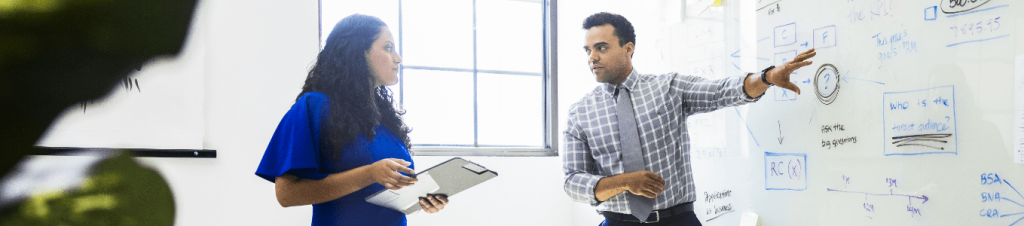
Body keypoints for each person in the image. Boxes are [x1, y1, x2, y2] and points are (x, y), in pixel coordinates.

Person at [561, 12, 815, 226]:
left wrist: (767, 77)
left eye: (601, 47)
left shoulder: (668, 87)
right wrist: (625, 182)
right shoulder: (579, 112)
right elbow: (573, 181)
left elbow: (721, 91)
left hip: (677, 219)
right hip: (616, 221)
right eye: (588, 49)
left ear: (628, 49)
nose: (592, 57)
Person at [255, 14, 448, 226]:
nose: (398, 58)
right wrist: (370, 173)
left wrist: (421, 199)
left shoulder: (386, 121)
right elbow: (287, 194)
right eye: (388, 48)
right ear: (359, 51)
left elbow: (384, 198)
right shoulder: (315, 107)